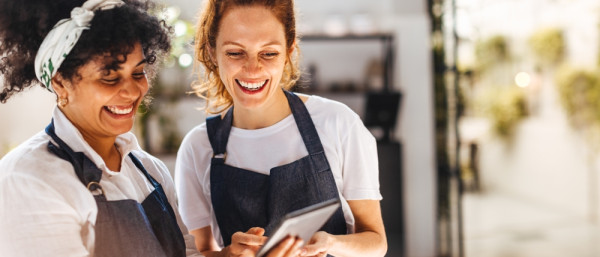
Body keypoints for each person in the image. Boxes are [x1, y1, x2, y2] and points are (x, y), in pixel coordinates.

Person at [0, 0, 303, 256]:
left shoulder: (148, 170)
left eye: (138, 72)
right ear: (60, 83)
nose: (132, 91)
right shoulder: (30, 179)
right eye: (109, 77)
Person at [175, 0, 388, 256]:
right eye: (235, 53)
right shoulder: (198, 147)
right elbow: (199, 251)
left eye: (269, 53)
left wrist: (330, 242)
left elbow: (376, 242)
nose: (253, 69)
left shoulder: (338, 124)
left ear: (289, 50)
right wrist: (229, 254)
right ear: (212, 52)